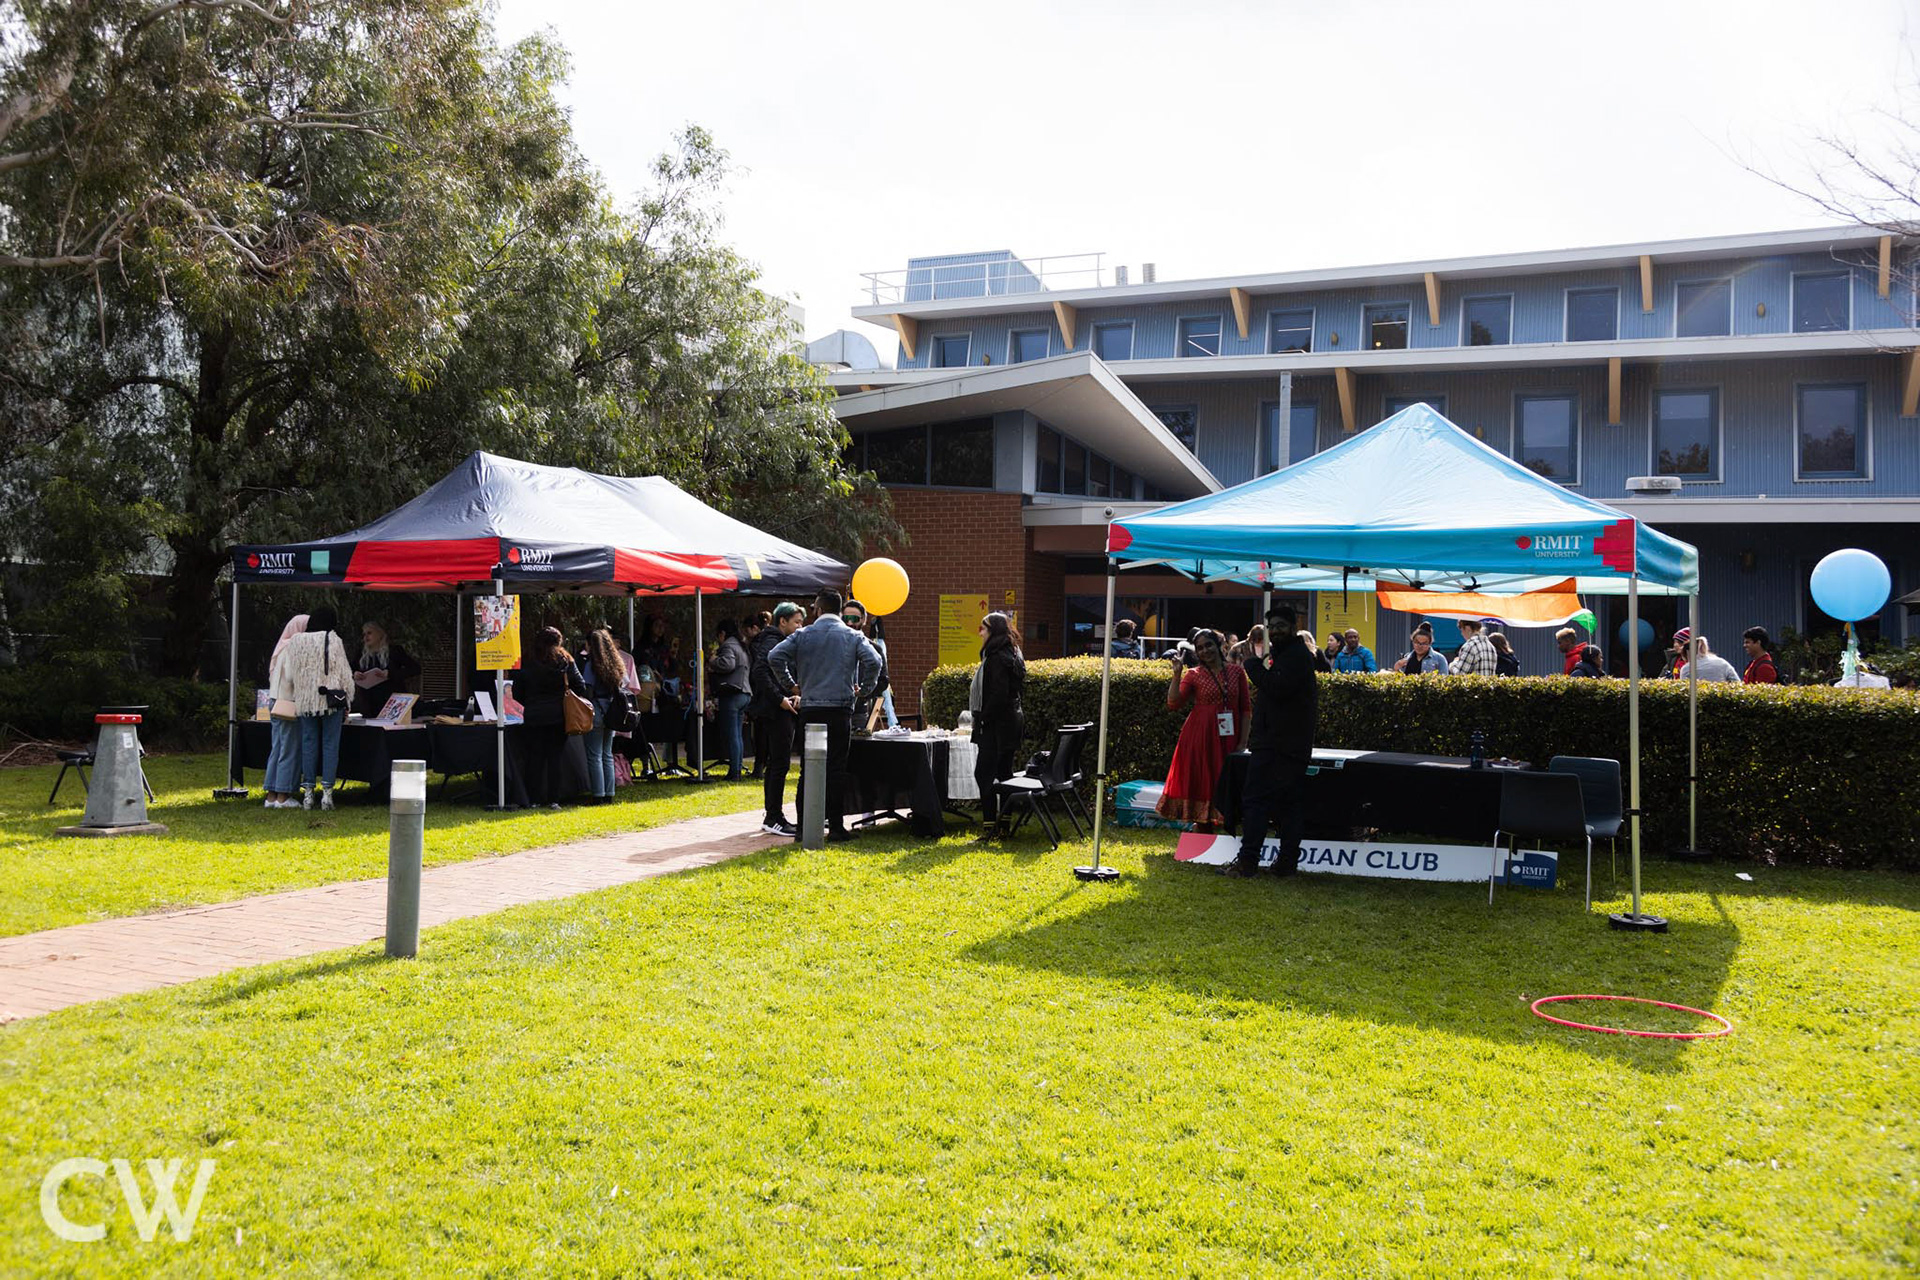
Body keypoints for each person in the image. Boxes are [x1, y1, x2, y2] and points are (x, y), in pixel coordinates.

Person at [768, 589, 882, 842]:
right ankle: (837, 827)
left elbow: (774, 656)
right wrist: (865, 689)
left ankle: (803, 827)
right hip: (840, 708)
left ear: (817, 609)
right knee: (836, 768)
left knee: (808, 768)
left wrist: (791, 685)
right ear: (840, 611)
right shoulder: (852, 636)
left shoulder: (803, 634)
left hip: (810, 708)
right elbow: (874, 661)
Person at [1230, 603, 1318, 879]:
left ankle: (1248, 863)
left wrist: (1252, 664)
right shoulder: (1286, 654)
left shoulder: (1295, 656)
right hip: (1285, 743)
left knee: (1257, 802)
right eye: (1272, 627)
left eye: (1281, 626)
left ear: (1293, 628)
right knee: (1287, 805)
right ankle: (1284, 864)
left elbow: (1276, 688)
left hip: (1278, 745)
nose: (1276, 631)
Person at [1155, 628, 1251, 829]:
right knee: (1203, 779)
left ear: (1219, 645)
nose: (1205, 651)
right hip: (1200, 736)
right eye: (1199, 648)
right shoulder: (1194, 674)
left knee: (1224, 779)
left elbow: (1245, 710)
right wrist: (1176, 674)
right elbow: (1173, 703)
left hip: (1229, 736)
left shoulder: (1237, 672)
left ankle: (1225, 822)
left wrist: (1242, 743)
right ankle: (1202, 824)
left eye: (1209, 645)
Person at [275, 607, 354, 810]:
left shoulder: (296, 641)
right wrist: (347, 697)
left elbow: (291, 676)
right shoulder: (333, 639)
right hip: (330, 700)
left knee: (308, 744)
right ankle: (327, 794)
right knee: (330, 745)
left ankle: (308, 793)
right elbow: (343, 671)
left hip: (306, 701)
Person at [514, 625, 589, 807]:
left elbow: (517, 691)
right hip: (558, 716)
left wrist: (530, 702)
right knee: (555, 759)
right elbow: (581, 686)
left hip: (534, 716)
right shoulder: (566, 661)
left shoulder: (529, 662)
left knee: (535, 759)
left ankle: (534, 799)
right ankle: (554, 799)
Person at [970, 611, 1027, 839]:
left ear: (993, 631)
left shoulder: (994, 658)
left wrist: (982, 717)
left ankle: (989, 827)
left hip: (995, 725)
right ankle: (1003, 824)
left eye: (983, 628)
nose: (979, 632)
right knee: (1005, 773)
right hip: (1012, 721)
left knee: (983, 774)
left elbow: (998, 694)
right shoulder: (1013, 653)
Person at [749, 602, 804, 835]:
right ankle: (774, 817)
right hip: (775, 711)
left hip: (772, 709)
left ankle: (772, 815)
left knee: (775, 764)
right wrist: (781, 698)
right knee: (779, 763)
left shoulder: (773, 639)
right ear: (782, 622)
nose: (800, 627)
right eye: (797, 622)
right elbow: (760, 671)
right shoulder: (773, 641)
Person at [261, 612, 308, 808]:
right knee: (290, 749)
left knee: (278, 747)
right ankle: (284, 795)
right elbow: (291, 675)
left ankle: (271, 795)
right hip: (289, 701)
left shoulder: (282, 645)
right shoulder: (295, 645)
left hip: (275, 700)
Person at [579, 627, 626, 801]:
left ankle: (598, 794)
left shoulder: (592, 665)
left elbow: (588, 689)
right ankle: (609, 793)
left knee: (594, 755)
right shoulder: (615, 664)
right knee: (607, 754)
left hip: (597, 710)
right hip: (612, 711)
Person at [708, 618, 753, 779]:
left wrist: (713, 661)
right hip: (745, 693)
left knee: (732, 735)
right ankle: (737, 768)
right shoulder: (741, 645)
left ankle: (734, 773)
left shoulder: (728, 645)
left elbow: (728, 664)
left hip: (732, 694)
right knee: (738, 735)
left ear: (722, 634)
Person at [841, 600, 896, 730]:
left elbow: (883, 681)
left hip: (859, 712)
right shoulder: (832, 644)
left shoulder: (874, 648)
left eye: (854, 619)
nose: (850, 623)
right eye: (846, 618)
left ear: (864, 620)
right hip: (833, 710)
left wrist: (863, 693)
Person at [350, 620, 419, 717]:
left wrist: (390, 674)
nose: (365, 637)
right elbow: (349, 670)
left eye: (369, 633)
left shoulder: (394, 651)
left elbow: (415, 668)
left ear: (379, 634)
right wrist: (355, 674)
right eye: (364, 634)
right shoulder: (361, 653)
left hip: (391, 702)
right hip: (369, 703)